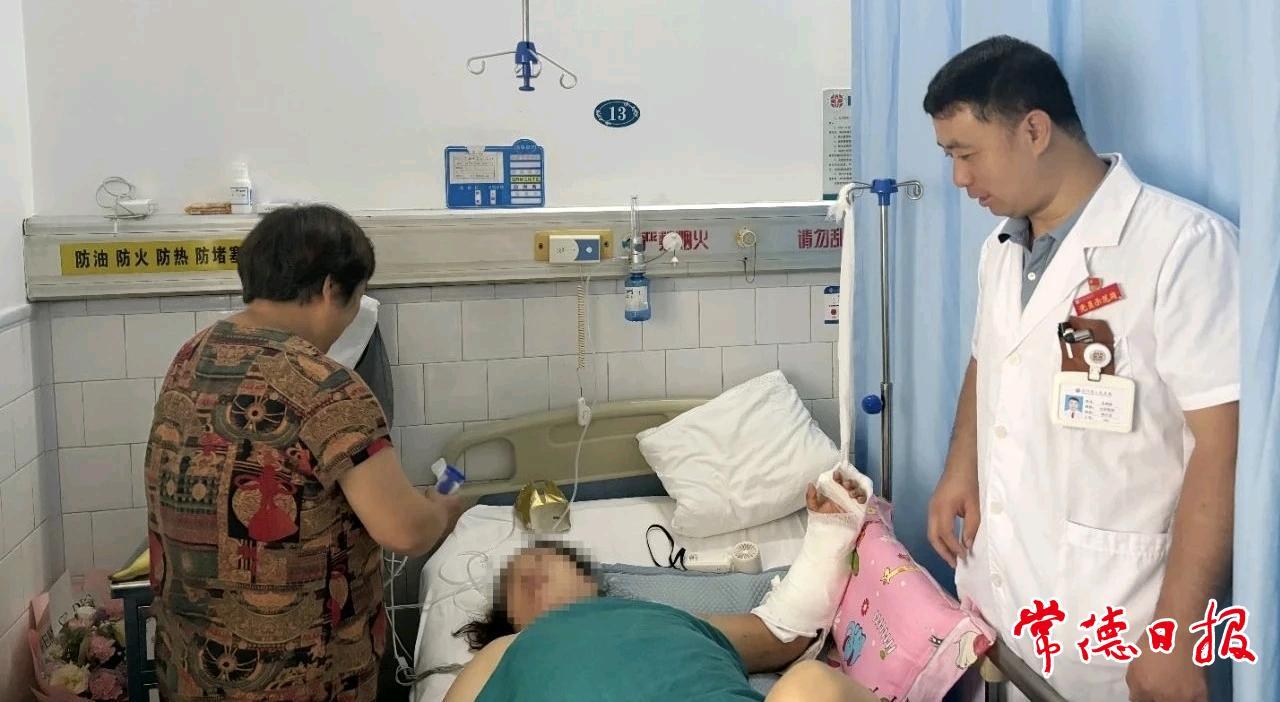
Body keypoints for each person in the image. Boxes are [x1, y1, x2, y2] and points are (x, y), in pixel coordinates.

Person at [922, 36, 1239, 700]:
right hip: (1007, 608)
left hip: (1116, 616)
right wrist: (960, 466)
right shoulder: (1002, 248)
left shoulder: (1183, 248)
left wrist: (1176, 639)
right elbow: (989, 356)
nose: (959, 179)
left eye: (967, 154)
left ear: (1034, 130)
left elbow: (1223, 444)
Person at [144, 204, 467, 701]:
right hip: (298, 676)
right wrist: (440, 509)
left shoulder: (193, 355)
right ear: (330, 288)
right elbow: (404, 531)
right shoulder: (329, 389)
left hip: (193, 665)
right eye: (356, 298)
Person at [442, 470, 880, 702]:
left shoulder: (670, 621)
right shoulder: (505, 651)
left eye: (544, 560)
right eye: (515, 584)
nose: (531, 570)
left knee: (811, 686)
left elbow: (783, 631)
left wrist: (830, 531)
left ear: (592, 584)